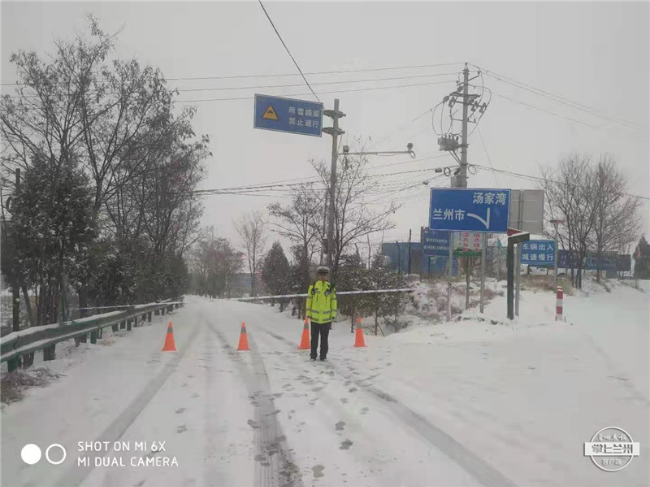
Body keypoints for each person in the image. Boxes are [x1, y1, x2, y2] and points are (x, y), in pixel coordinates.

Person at [305, 266, 337, 361]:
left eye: (325, 274)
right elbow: (309, 299)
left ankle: (323, 356)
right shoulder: (313, 286)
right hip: (314, 318)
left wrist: (333, 314)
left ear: (327, 275)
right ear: (318, 275)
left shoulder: (330, 287)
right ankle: (313, 356)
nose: (323, 276)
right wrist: (308, 312)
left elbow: (333, 301)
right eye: (321, 274)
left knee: (324, 339)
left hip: (326, 319)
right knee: (314, 339)